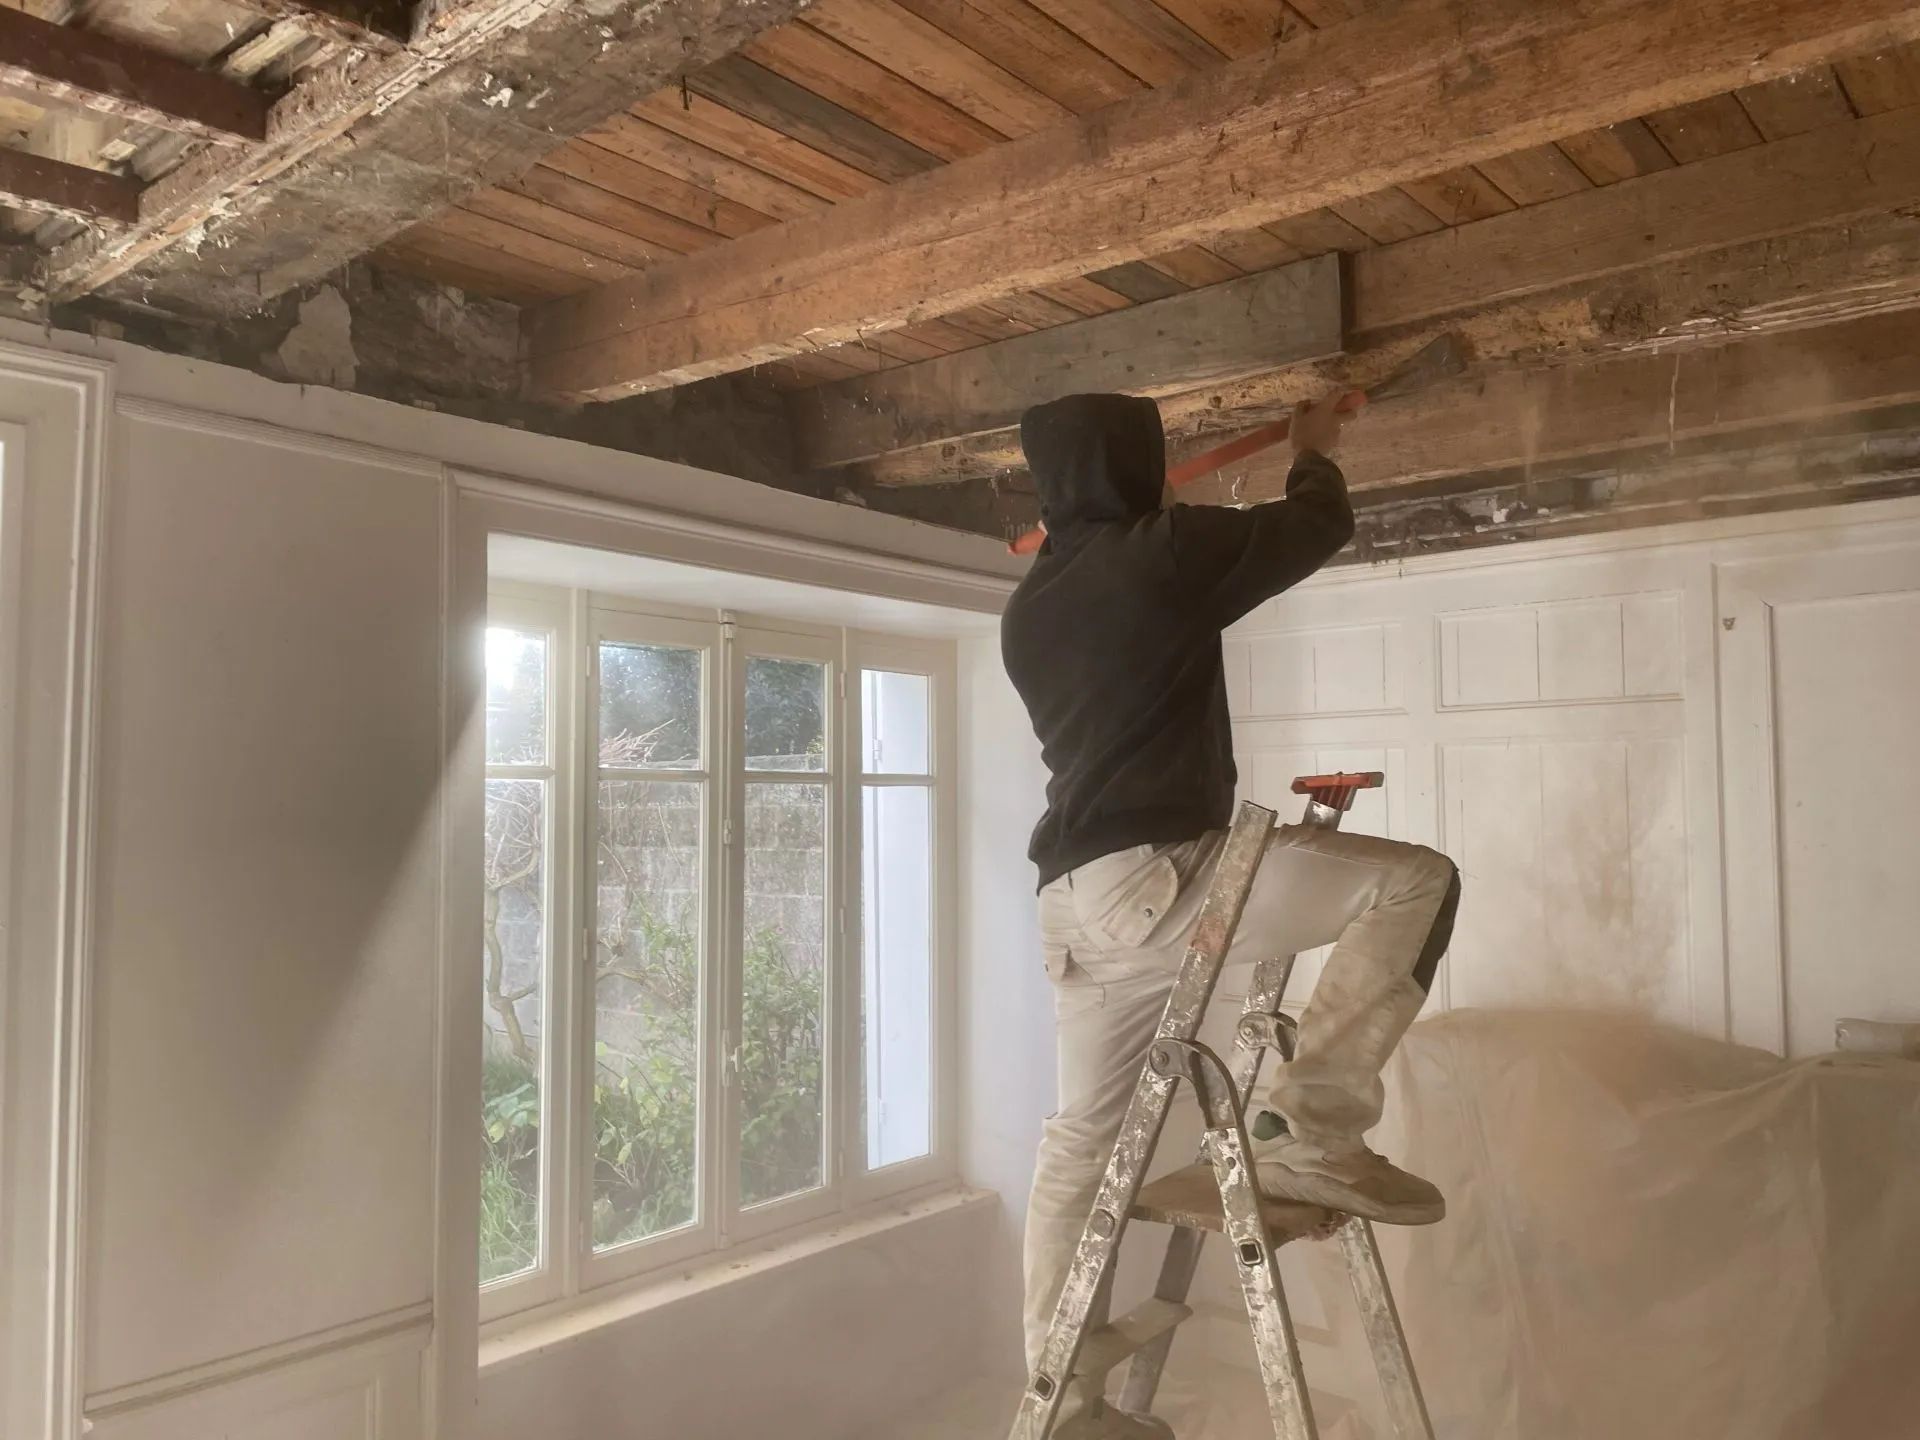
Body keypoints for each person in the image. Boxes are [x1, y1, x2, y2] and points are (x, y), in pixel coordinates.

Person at [1001, 390, 1462, 1373]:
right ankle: (1311, 1129)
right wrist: (1313, 447)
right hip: (1162, 880)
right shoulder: (1158, 555)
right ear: (1135, 468)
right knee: (1416, 884)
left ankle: (1057, 1374)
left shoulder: (1030, 607)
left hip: (1075, 905)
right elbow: (1317, 523)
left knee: (1081, 1144)